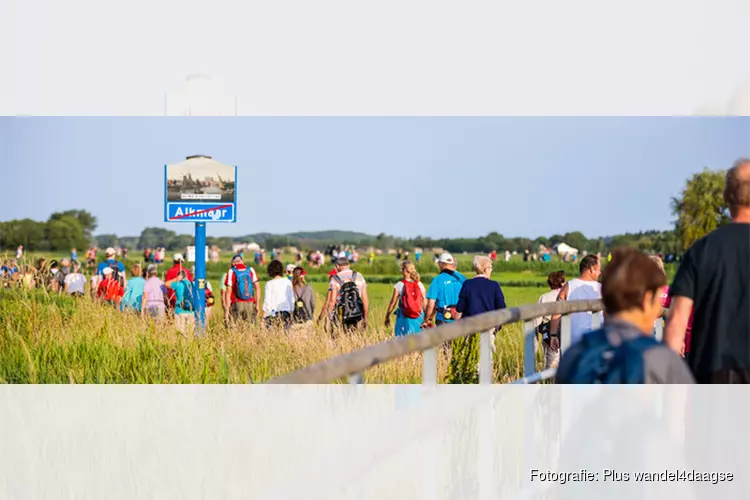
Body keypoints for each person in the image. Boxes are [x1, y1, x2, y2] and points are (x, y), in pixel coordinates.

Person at [665, 158, 750, 383]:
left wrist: (671, 402)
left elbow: (676, 321)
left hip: (712, 376)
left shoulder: (702, 250)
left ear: (726, 198)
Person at [555, 248, 694, 384]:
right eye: (657, 300)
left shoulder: (573, 355)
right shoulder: (662, 359)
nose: (659, 308)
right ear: (647, 300)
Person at [549, 254, 603, 349]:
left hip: (572, 342)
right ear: (591, 269)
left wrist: (553, 335)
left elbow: (556, 311)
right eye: (598, 269)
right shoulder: (601, 288)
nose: (600, 273)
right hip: (596, 340)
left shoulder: (568, 286)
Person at [318, 256, 369, 331]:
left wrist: (327, 319)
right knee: (355, 338)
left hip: (341, 314)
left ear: (337, 266)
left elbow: (332, 301)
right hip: (357, 314)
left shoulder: (335, 278)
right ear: (348, 265)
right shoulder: (359, 276)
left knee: (339, 338)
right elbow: (365, 300)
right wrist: (365, 318)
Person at [423, 253, 466, 328]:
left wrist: (427, 320)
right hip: (460, 319)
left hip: (443, 320)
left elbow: (431, 304)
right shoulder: (462, 278)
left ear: (441, 264)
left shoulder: (437, 280)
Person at [534, 270, 566, 370]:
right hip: (564, 330)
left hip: (547, 332)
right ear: (561, 283)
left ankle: (549, 382)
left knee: (550, 361)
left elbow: (537, 319)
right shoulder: (566, 296)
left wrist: (537, 333)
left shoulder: (544, 297)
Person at [384, 260, 426, 336]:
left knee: (402, 338)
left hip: (404, 315)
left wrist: (387, 316)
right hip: (419, 315)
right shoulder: (420, 284)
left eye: (402, 269)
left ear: (405, 271)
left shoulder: (399, 285)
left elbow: (393, 303)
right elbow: (425, 302)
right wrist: (427, 317)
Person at [223, 254, 262, 325]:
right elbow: (258, 287)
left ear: (233, 263)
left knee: (236, 327)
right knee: (250, 327)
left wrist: (227, 309)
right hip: (250, 302)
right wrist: (257, 305)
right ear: (242, 261)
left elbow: (228, 291)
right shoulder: (250, 270)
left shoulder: (231, 271)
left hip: (237, 303)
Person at [263, 260, 295, 328]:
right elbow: (291, 299)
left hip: (272, 314)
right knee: (285, 336)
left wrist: (263, 318)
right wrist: (292, 314)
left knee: (273, 337)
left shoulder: (269, 284)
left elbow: (267, 302)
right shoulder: (288, 282)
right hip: (286, 313)